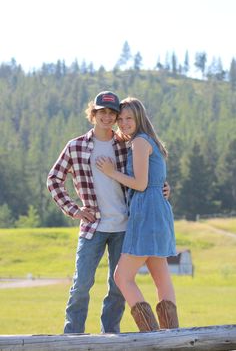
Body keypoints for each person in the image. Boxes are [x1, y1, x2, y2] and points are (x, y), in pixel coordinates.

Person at [47, 91, 170, 334]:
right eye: (102, 111)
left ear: (116, 117)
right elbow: (54, 180)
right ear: (93, 114)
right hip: (92, 227)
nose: (107, 116)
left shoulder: (126, 144)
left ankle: (111, 337)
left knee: (117, 288)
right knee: (81, 284)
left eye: (112, 113)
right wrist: (75, 210)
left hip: (125, 226)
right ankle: (72, 337)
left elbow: (145, 173)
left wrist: (164, 186)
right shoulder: (76, 146)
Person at [96, 97, 179, 332]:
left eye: (128, 118)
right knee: (161, 276)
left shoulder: (140, 143)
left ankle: (151, 334)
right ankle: (171, 335)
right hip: (158, 210)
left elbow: (140, 184)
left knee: (122, 276)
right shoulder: (148, 140)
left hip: (146, 212)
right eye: (120, 119)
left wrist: (111, 172)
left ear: (139, 118)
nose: (123, 123)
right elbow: (153, 180)